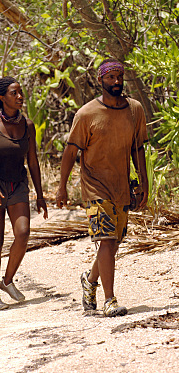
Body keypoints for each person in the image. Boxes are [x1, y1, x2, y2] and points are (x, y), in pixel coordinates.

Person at [56, 58, 148, 317]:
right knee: (106, 241)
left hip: (122, 186)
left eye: (120, 77)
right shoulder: (86, 114)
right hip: (95, 187)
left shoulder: (135, 109)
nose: (116, 82)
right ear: (100, 81)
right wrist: (61, 187)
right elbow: (70, 151)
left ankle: (89, 279)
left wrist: (143, 182)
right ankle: (110, 300)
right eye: (110, 77)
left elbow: (138, 148)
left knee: (114, 243)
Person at [0, 76, 48, 310]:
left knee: (23, 233)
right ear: (2, 97)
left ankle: (7, 280)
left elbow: (33, 161)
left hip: (18, 185)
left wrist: (41, 194)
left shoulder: (27, 125)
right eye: (14, 93)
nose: (19, 97)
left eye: (20, 93)